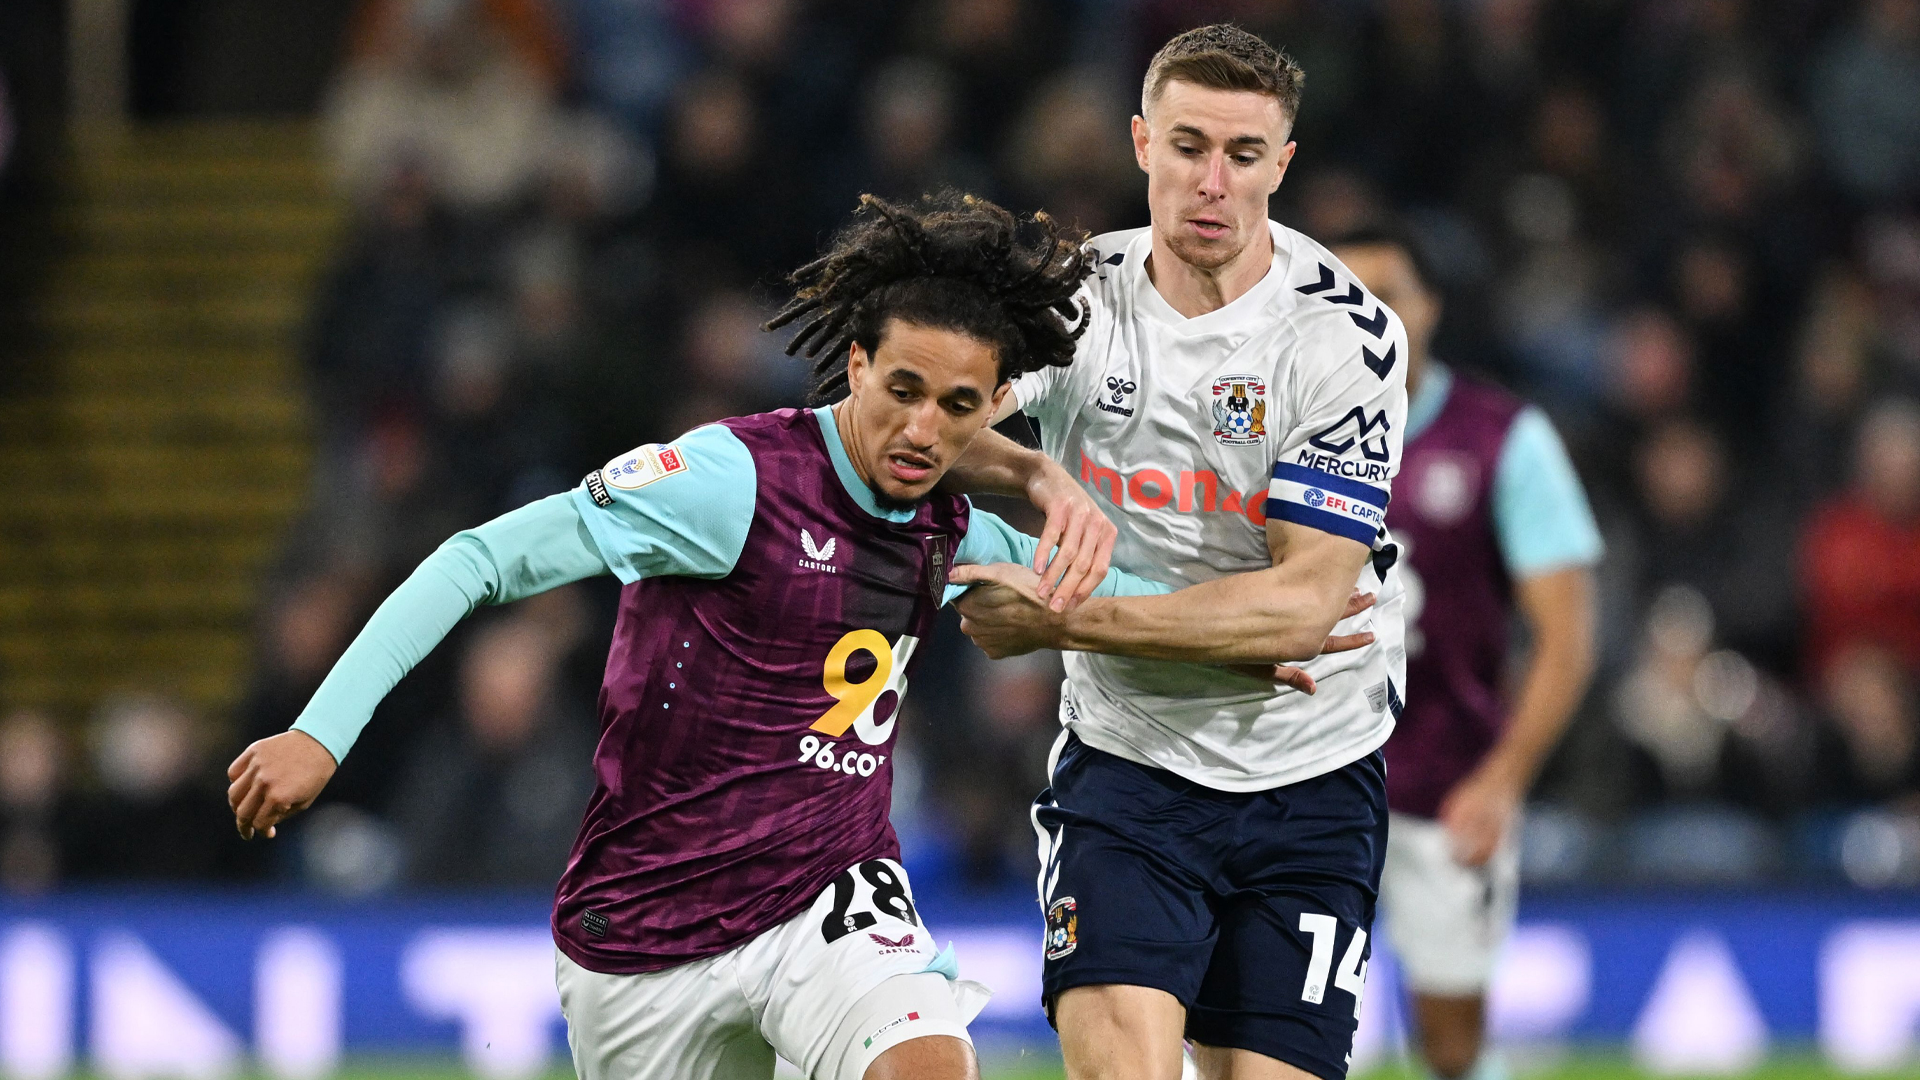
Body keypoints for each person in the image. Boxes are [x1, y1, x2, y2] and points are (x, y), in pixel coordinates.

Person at [225, 191, 1153, 1080]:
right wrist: (320, 732)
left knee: (925, 1062)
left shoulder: (950, 529)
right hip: (644, 926)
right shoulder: (728, 482)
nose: (921, 428)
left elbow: (1137, 598)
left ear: (991, 409)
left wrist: (1278, 627)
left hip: (827, 893)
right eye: (902, 388)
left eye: (956, 405)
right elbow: (477, 559)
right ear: (858, 365)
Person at [944, 25, 1409, 1080]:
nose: (1213, 182)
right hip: (1130, 772)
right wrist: (1026, 473)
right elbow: (908, 422)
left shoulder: (1343, 340)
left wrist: (1059, 617)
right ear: (1142, 142)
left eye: (1244, 157)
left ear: (1282, 167)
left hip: (1312, 776)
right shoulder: (1070, 301)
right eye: (1189, 146)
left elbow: (1299, 611)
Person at [1329, 227, 1602, 1080]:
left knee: (1451, 1046)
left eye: (1392, 295)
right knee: (1262, 1033)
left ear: (1431, 308)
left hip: (1448, 787)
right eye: (1350, 300)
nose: (1374, 318)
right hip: (1302, 782)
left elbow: (1566, 634)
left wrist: (1504, 778)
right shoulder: (1281, 430)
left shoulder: (1503, 440)